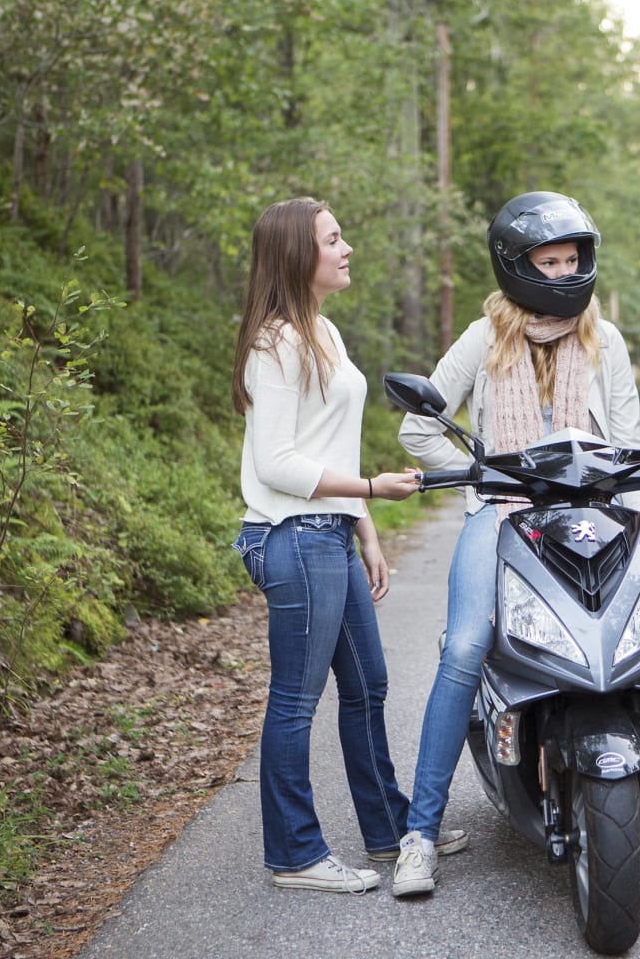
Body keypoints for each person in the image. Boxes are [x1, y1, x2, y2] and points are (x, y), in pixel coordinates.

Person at [391, 191, 640, 897]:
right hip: (504, 514)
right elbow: (420, 429)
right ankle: (419, 834)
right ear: (519, 266)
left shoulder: (607, 339)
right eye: (551, 261)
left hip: (595, 516)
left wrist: (637, 516)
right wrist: (476, 473)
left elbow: (630, 442)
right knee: (465, 646)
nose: (565, 274)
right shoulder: (485, 338)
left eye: (573, 260)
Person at [229, 196, 466, 894]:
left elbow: (325, 443)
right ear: (299, 255)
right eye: (334, 240)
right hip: (291, 539)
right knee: (295, 702)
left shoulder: (323, 334)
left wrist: (365, 527)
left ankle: (389, 831)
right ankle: (295, 854)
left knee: (368, 687)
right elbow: (276, 463)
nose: (346, 248)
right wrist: (368, 487)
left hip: (330, 535)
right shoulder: (275, 344)